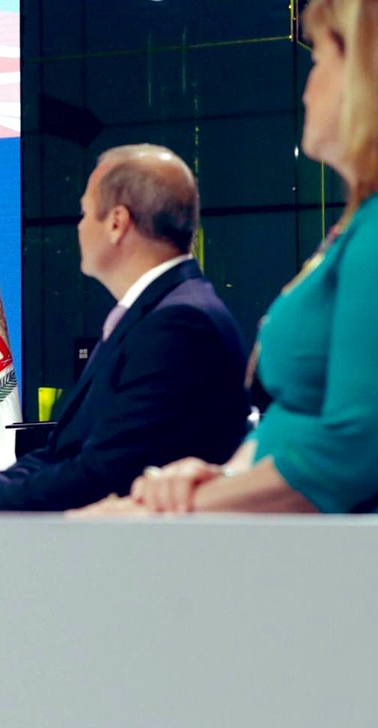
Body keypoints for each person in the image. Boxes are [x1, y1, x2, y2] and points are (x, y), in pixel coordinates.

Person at [80, 0, 378, 517]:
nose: (307, 88)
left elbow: (351, 453)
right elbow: (297, 433)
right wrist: (226, 475)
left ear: (363, 73)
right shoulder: (356, 228)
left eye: (318, 62)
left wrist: (168, 511)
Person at [0, 145, 249, 516]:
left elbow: (100, 476)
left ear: (117, 223)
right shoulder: (154, 314)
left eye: (84, 213)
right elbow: (58, 455)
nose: (79, 227)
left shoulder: (178, 323)